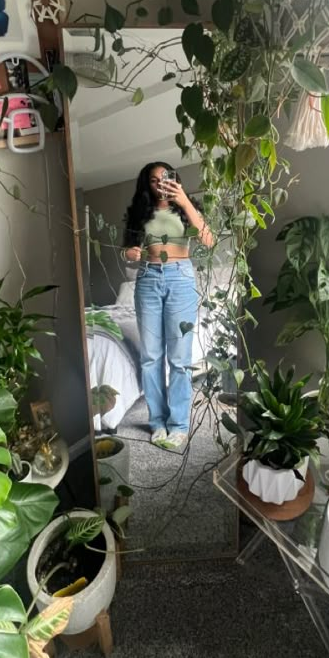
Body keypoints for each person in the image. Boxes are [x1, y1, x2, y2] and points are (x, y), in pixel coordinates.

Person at [123, 161, 214, 450]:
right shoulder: (139, 213)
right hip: (148, 279)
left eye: (166, 178)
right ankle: (157, 421)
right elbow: (127, 253)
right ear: (146, 185)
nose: (160, 183)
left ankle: (179, 424)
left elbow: (208, 240)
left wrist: (183, 199)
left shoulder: (186, 208)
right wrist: (131, 253)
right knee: (150, 357)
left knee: (179, 357)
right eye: (154, 180)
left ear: (174, 179)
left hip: (180, 278)